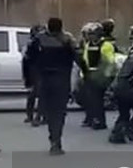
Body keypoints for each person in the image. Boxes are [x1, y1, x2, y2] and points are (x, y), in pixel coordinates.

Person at [29, 17, 83, 154]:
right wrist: (85, 71)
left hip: (44, 79)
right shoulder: (67, 39)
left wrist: (32, 76)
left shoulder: (39, 39)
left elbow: (29, 58)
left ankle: (52, 138)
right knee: (59, 113)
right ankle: (56, 141)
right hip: (62, 80)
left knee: (49, 111)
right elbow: (79, 57)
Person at [82, 22, 117, 130]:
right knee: (90, 98)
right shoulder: (88, 45)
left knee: (97, 98)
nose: (91, 36)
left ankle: (100, 121)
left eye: (93, 34)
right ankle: (92, 118)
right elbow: (85, 59)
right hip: (90, 74)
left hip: (101, 75)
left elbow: (110, 61)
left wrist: (106, 74)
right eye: (89, 34)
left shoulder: (106, 45)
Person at [22, 24, 46, 126]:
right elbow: (26, 61)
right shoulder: (32, 44)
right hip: (35, 70)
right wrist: (27, 78)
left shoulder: (46, 43)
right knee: (33, 94)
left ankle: (40, 117)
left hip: (42, 70)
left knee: (41, 94)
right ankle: (31, 115)